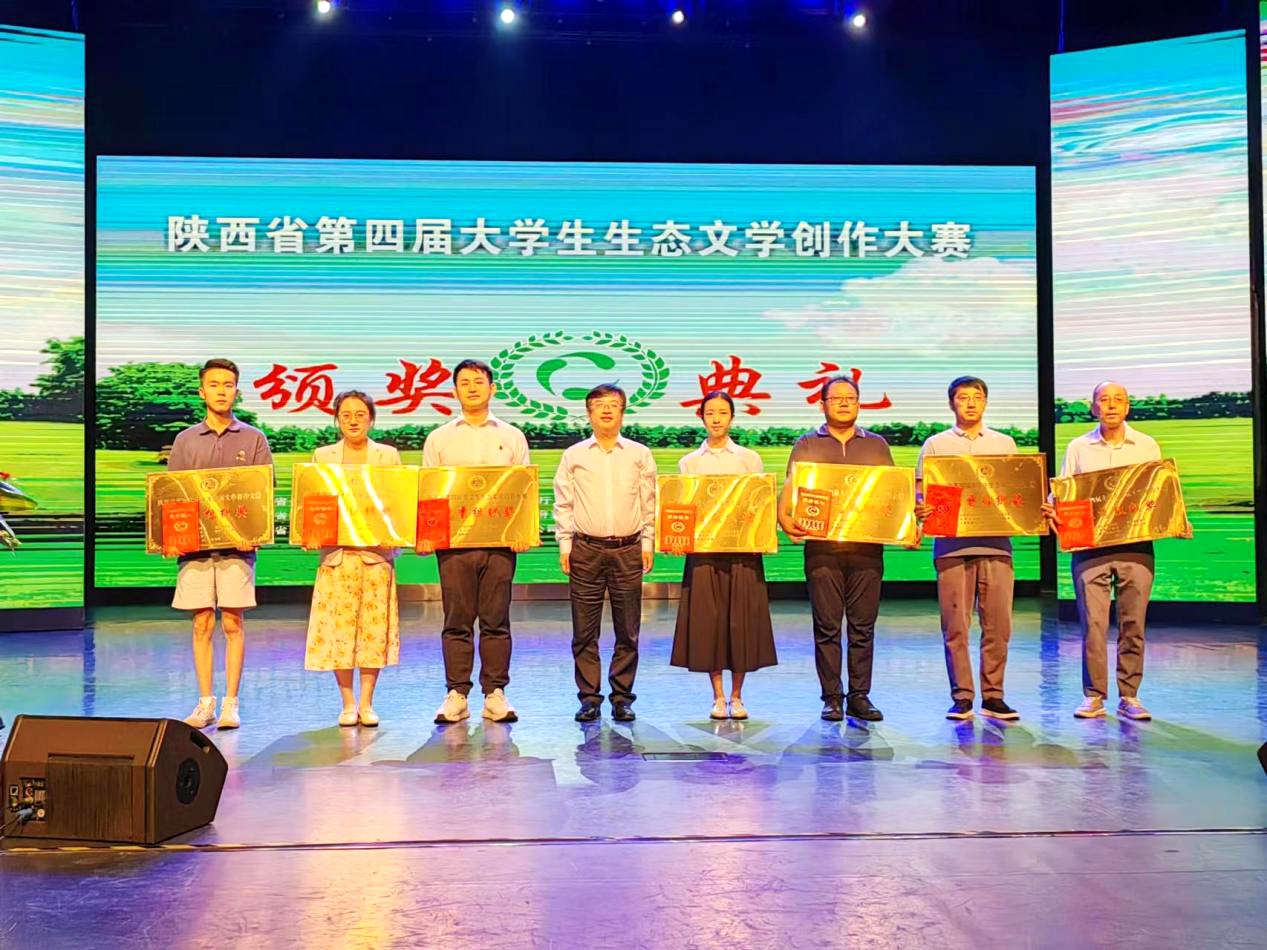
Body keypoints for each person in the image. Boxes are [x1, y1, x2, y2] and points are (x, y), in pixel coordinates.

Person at [1057, 381, 1185, 721]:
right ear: (1093, 407)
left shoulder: (1146, 445)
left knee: (1133, 624)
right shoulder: (1078, 447)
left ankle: (1130, 695)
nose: (1111, 405)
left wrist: (1174, 519)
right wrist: (1054, 508)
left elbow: (1158, 495)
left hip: (1136, 548)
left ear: (1127, 407)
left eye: (1118, 400)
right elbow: (1065, 494)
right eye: (1104, 399)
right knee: (1093, 625)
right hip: (1090, 549)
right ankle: (1094, 696)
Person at [777, 374, 892, 723]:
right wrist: (785, 520)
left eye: (850, 398)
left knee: (863, 626)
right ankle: (831, 698)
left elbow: (892, 496)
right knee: (826, 625)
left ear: (859, 404)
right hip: (822, 550)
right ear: (822, 405)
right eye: (836, 397)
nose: (844, 402)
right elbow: (791, 490)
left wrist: (906, 525)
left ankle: (859, 696)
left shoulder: (877, 445)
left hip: (867, 549)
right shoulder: (807, 444)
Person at [421, 359, 531, 725]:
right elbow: (430, 493)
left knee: (496, 619)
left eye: (479, 381)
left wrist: (521, 531)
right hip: (454, 546)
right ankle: (457, 694)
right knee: (457, 620)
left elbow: (523, 490)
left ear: (492, 388)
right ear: (455, 391)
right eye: (464, 382)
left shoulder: (512, 436)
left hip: (500, 544)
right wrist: (429, 536)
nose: (472, 387)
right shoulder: (439, 438)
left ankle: (495, 693)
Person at [169, 358, 273, 730]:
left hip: (238, 548)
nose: (221, 391)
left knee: (232, 621)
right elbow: (172, 495)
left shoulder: (254, 438)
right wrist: (172, 538)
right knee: (201, 623)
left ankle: (231, 703)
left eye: (228, 385)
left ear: (236, 392)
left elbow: (262, 493)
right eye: (214, 384)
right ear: (202, 392)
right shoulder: (185, 440)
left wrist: (254, 532)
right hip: (194, 549)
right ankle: (205, 703)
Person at [915, 376, 1021, 722]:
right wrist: (921, 508)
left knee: (998, 626)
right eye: (963, 397)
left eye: (977, 397)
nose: (971, 403)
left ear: (986, 402)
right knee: (955, 627)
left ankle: (994, 696)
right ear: (952, 403)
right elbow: (921, 492)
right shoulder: (935, 445)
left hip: (997, 546)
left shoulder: (1004, 443)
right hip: (951, 548)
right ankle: (962, 696)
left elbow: (1018, 491)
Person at [670, 391, 777, 720]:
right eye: (710, 413)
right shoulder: (689, 462)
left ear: (731, 417)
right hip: (704, 554)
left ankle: (737, 696)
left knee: (740, 623)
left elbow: (759, 506)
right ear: (701, 417)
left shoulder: (749, 459)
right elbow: (683, 509)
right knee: (709, 623)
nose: (716, 419)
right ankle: (717, 696)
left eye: (722, 413)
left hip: (742, 553)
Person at [554, 383, 657, 723]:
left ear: (623, 411)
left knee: (628, 630)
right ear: (589, 413)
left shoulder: (639, 454)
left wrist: (647, 543)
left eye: (613, 404)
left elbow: (649, 502)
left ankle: (622, 698)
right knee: (585, 630)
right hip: (586, 549)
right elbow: (563, 503)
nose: (607, 410)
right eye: (599, 404)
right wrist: (565, 544)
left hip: (628, 549)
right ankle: (589, 698)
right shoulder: (574, 455)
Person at [303, 391, 401, 727]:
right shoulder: (323, 456)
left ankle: (367, 702)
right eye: (346, 415)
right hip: (337, 556)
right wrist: (309, 533)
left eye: (360, 414)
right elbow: (314, 501)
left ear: (371, 418)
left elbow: (397, 503)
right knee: (339, 631)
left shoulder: (387, 456)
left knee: (372, 631)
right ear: (337, 419)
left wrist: (394, 533)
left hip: (376, 556)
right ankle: (347, 703)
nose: (354, 420)